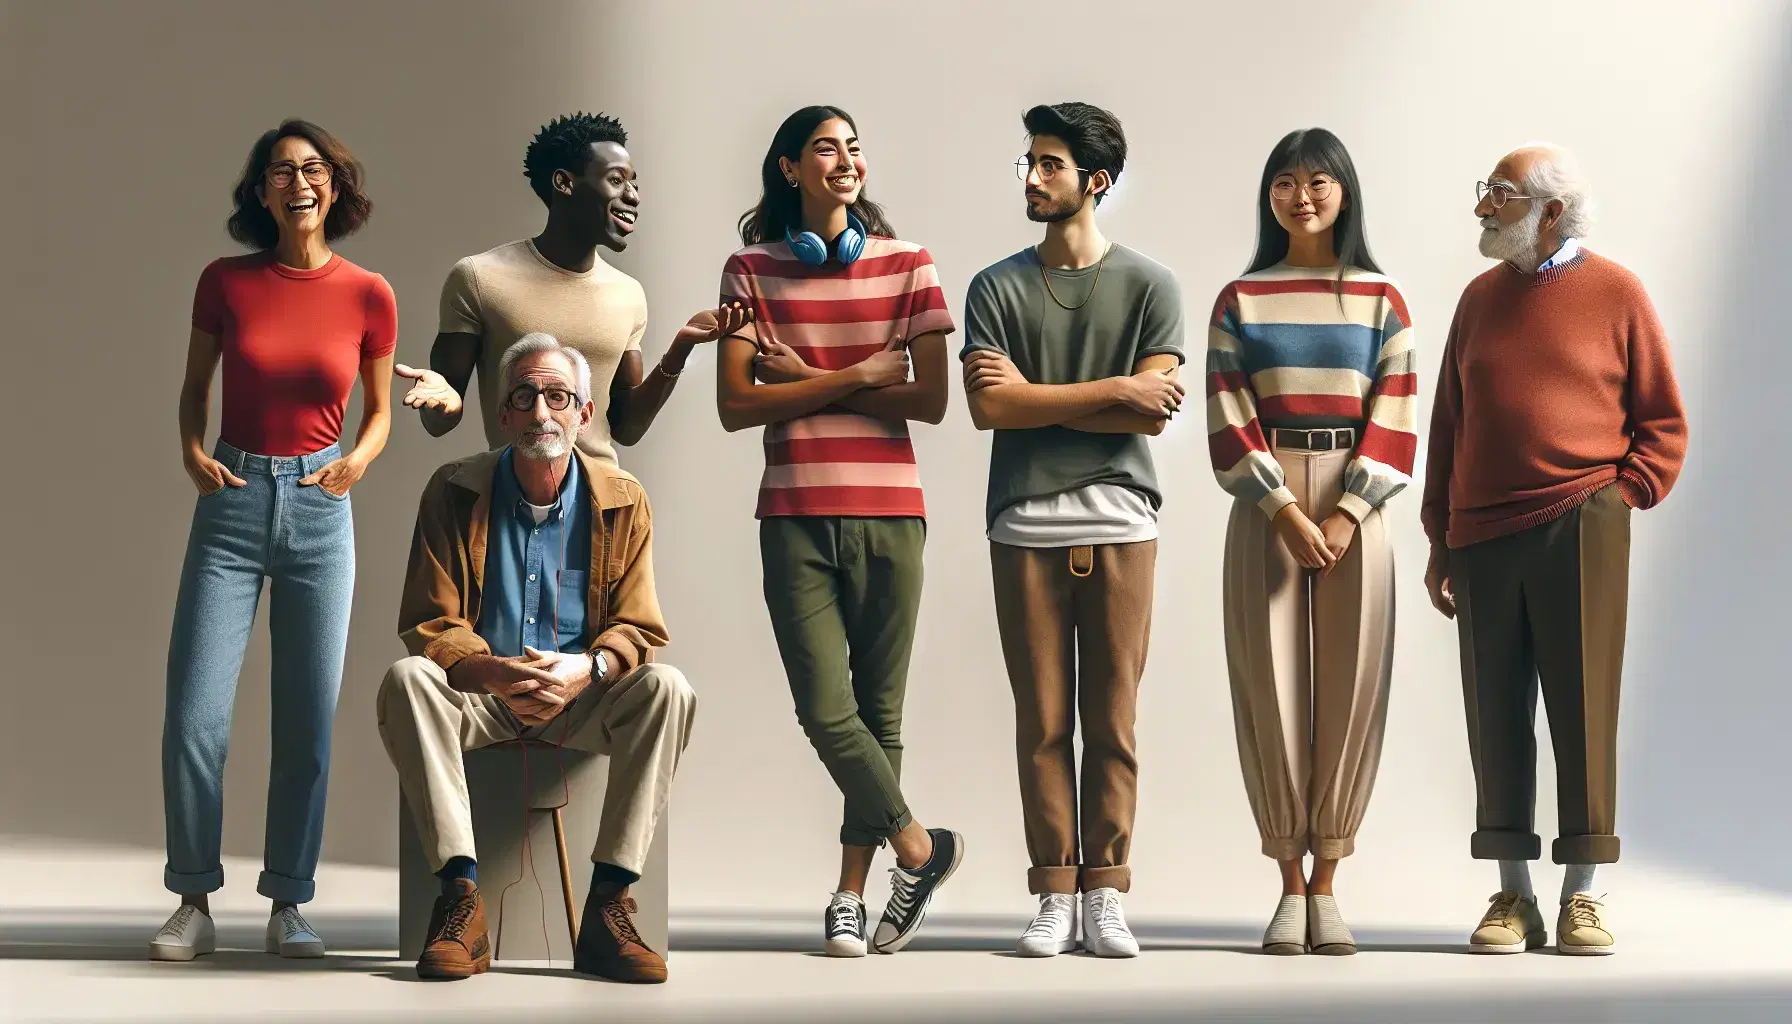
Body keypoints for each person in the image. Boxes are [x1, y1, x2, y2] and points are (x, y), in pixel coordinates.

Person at [1423, 143, 1687, 956]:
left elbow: (1663, 422)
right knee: (1494, 716)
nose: (1481, 208)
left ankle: (1583, 894)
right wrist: (1440, 535)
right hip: (1482, 536)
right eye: (1485, 193)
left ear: (1550, 211)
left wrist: (1622, 495)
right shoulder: (1476, 299)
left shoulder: (1618, 293)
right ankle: (1513, 895)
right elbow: (1448, 425)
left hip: (1583, 523)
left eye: (1498, 195)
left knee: (1583, 712)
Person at [714, 105, 963, 957]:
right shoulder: (748, 269)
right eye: (827, 147)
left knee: (878, 714)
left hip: (893, 513)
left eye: (855, 146)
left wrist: (813, 377)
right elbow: (735, 406)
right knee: (827, 711)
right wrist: (861, 373)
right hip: (793, 515)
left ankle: (851, 898)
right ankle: (922, 851)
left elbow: (928, 401)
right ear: (789, 168)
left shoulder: (910, 265)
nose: (847, 159)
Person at [378, 334, 696, 983]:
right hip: (483, 697)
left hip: (584, 700)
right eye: (524, 396)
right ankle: (460, 901)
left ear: (583, 412)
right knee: (407, 679)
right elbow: (429, 622)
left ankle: (609, 903)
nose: (541, 411)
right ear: (503, 414)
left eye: (558, 396)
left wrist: (589, 669)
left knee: (670, 688)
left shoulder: (623, 497)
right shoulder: (453, 489)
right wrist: (494, 671)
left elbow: (639, 625)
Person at [153, 120, 396, 961]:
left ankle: (289, 902)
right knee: (195, 713)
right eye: (281, 170)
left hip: (323, 508)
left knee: (306, 723)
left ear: (336, 184)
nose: (299, 181)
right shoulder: (225, 281)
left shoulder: (369, 292)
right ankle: (192, 898)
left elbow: (379, 412)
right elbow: (195, 390)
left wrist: (357, 465)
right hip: (232, 498)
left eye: (314, 167)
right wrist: (191, 454)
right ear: (261, 191)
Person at [962, 102, 1185, 959]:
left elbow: (1154, 410)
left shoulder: (1151, 285)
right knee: (1043, 721)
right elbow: (990, 406)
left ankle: (1107, 894)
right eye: (1028, 162)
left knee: (1115, 722)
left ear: (1095, 180)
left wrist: (1041, 399)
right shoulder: (996, 286)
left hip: (1124, 521)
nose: (1031, 176)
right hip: (1022, 526)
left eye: (1049, 164)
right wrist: (1111, 393)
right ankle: (1055, 890)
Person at [1206, 128, 1416, 956]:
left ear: (1345, 192)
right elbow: (1227, 412)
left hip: (1357, 501)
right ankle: (1288, 883)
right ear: (1270, 196)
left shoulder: (1380, 300)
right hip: (1266, 508)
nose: (1303, 197)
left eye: (1319, 182)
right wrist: (1284, 509)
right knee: (1273, 688)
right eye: (1287, 183)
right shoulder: (1241, 299)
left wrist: (1345, 511)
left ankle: (1329, 881)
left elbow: (1396, 413)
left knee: (1351, 689)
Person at [397, 111, 721, 459]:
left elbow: (625, 429)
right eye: (616, 180)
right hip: (512, 496)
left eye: (634, 184)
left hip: (603, 500)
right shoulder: (479, 278)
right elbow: (440, 420)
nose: (633, 197)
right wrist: (440, 401)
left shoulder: (628, 295)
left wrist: (679, 350)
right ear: (564, 183)